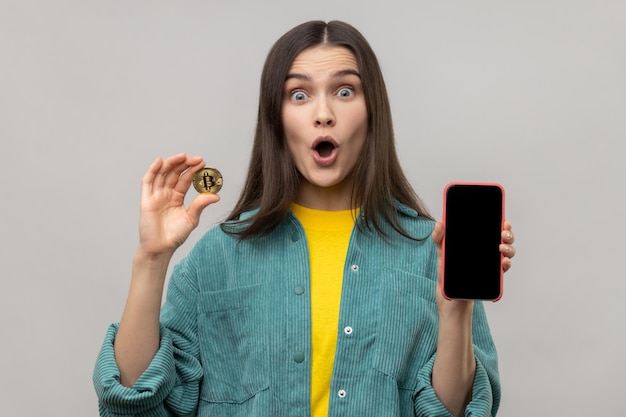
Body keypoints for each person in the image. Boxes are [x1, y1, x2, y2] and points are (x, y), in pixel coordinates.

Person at [93, 20, 516, 417]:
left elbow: (459, 412)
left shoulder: (432, 251)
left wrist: (456, 309)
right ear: (277, 120)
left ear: (373, 114)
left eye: (345, 91)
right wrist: (151, 259)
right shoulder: (217, 257)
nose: (323, 113)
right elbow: (133, 404)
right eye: (299, 94)